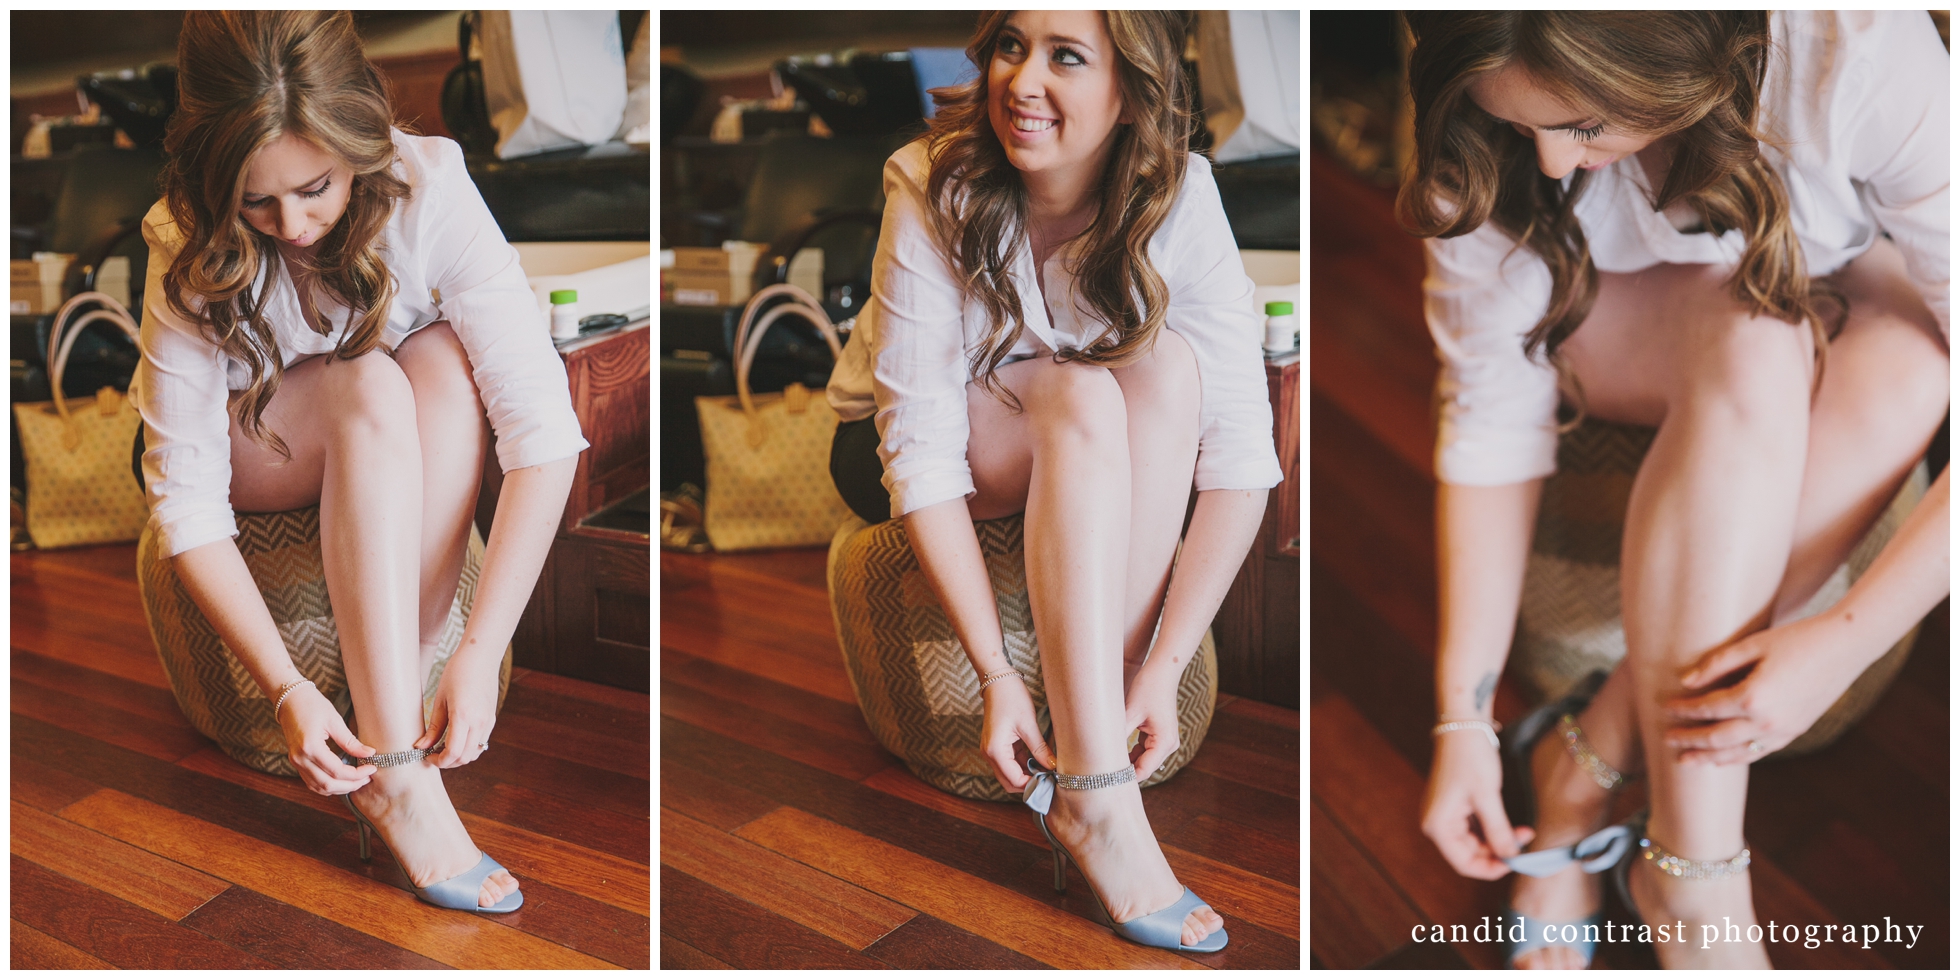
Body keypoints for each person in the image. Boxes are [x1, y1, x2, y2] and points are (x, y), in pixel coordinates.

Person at [1399, 11, 1949, 969]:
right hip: (1613, 316)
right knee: (1755, 339)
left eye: (1583, 126)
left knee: (1914, 364)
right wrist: (1460, 719)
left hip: (1826, 271)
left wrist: (1842, 640)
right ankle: (1699, 873)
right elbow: (1490, 425)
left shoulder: (1855, 47)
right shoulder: (1484, 121)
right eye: (1526, 126)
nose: (1556, 166)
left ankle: (1581, 762)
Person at [826, 10, 1280, 953]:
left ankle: (1096, 736)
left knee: (1168, 373)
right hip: (915, 442)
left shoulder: (1181, 193)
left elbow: (1240, 459)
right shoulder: (930, 177)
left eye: (1065, 57)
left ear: (1130, 91)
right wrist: (996, 672)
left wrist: (1163, 664)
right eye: (1008, 46)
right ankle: (1105, 806)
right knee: (1081, 393)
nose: (1021, 80)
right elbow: (918, 447)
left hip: (1069, 423)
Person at [135, 11, 587, 913]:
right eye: (256, 202)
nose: (292, 225)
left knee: (446, 363)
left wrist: (478, 644)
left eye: (316, 187)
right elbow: (185, 502)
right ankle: (398, 778)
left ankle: (404, 696)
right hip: (250, 442)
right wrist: (289, 686)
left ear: (362, 139)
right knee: (367, 383)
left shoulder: (430, 185)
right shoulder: (179, 237)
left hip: (384, 417)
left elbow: (541, 432)